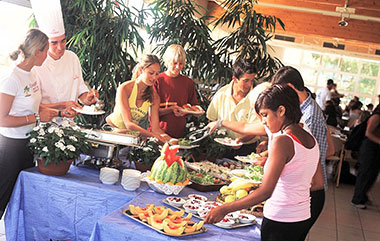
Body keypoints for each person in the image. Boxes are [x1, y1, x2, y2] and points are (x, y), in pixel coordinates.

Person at [205, 84, 320, 241]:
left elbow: (266, 191)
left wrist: (224, 209)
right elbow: (314, 182)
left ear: (281, 111)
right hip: (302, 217)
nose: (263, 122)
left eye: (265, 115)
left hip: (280, 219)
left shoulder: (283, 141)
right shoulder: (311, 138)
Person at [0, 29, 63, 219]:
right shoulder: (12, 78)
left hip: (27, 143)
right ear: (37, 52)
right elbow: (2, 118)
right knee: (2, 197)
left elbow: (33, 106)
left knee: (16, 198)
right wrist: (36, 119)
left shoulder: (32, 73)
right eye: (46, 51)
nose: (48, 55)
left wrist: (60, 109)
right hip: (10, 147)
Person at [30, 0, 98, 117]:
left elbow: (80, 92)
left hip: (69, 124)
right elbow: (32, 104)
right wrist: (62, 107)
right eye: (54, 43)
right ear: (44, 43)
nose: (60, 47)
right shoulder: (36, 65)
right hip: (45, 125)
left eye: (63, 41)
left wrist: (87, 97)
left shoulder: (72, 57)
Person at [207, 58, 268, 157]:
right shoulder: (221, 94)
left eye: (252, 80)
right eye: (246, 80)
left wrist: (240, 140)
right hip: (221, 147)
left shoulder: (256, 98)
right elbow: (211, 119)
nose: (249, 84)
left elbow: (255, 128)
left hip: (247, 148)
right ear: (235, 79)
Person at [106, 54, 171, 143]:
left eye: (157, 74)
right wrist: (153, 135)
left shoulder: (154, 97)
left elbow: (156, 129)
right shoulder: (125, 88)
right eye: (151, 73)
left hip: (130, 137)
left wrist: (171, 140)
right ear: (141, 70)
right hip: (112, 131)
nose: (154, 77)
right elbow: (129, 124)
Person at [154, 44, 200, 138]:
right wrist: (171, 109)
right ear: (166, 62)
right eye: (174, 63)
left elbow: (194, 107)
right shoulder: (157, 80)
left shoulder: (188, 83)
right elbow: (152, 112)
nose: (178, 67)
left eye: (181, 63)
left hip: (179, 133)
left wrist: (189, 111)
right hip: (157, 132)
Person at [351, 105, 380, 209]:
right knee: (365, 172)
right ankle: (357, 199)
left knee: (372, 173)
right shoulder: (376, 117)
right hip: (369, 147)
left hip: (375, 148)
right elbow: (368, 133)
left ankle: (362, 196)